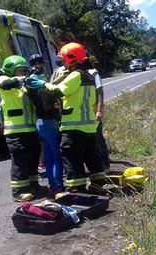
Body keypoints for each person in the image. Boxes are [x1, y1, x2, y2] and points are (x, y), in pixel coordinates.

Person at [44, 42, 106, 193]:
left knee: (71, 157)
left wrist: (45, 85)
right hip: (89, 126)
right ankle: (98, 186)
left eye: (64, 59)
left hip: (73, 126)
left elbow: (57, 92)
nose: (62, 63)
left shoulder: (75, 75)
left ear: (71, 59)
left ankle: (76, 188)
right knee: (92, 157)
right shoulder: (89, 76)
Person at [0, 55, 46, 201]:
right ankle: (18, 191)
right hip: (15, 131)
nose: (22, 73)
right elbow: (6, 84)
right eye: (20, 70)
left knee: (33, 158)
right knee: (20, 161)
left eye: (24, 70)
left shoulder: (21, 85)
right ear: (11, 69)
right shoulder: (3, 80)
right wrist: (23, 79)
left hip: (30, 129)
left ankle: (33, 185)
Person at [25, 54, 64, 194]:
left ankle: (53, 185)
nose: (43, 66)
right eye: (42, 64)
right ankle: (58, 185)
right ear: (38, 64)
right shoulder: (39, 82)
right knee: (56, 156)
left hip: (40, 122)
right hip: (49, 121)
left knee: (49, 157)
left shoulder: (32, 82)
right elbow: (50, 104)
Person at [86, 61, 110, 172]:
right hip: (82, 115)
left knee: (98, 139)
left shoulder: (93, 74)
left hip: (93, 113)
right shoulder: (73, 74)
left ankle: (106, 166)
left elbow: (100, 92)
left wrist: (99, 110)